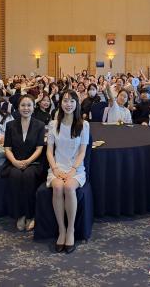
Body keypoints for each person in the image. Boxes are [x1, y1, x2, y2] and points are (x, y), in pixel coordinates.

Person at [46, 90, 89, 253]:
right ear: (60, 103)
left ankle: (71, 229)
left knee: (69, 187)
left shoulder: (84, 125)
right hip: (57, 167)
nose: (68, 104)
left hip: (75, 168)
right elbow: (49, 151)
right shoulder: (53, 124)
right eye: (65, 101)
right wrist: (55, 169)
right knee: (58, 187)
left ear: (76, 104)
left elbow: (82, 152)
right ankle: (61, 230)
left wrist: (73, 170)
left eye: (72, 101)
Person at [2, 95, 45, 231]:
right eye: (23, 105)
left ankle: (30, 215)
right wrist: (14, 161)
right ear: (18, 107)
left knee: (28, 176)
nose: (26, 108)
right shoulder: (10, 125)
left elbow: (39, 148)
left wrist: (27, 161)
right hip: (14, 161)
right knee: (15, 176)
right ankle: (20, 214)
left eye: (29, 105)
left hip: (33, 162)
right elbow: (7, 148)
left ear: (34, 107)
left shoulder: (40, 125)